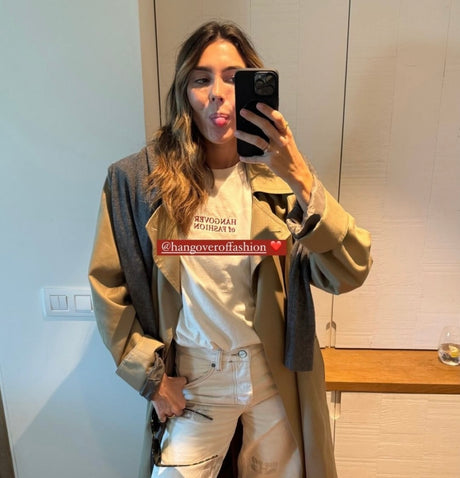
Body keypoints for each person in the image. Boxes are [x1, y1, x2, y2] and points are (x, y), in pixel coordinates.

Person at [89, 20, 372, 478]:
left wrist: (300, 174)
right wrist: (152, 380)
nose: (217, 94)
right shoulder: (139, 182)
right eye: (201, 79)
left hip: (273, 374)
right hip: (195, 378)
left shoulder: (280, 183)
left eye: (233, 78)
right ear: (184, 92)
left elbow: (350, 270)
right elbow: (108, 287)